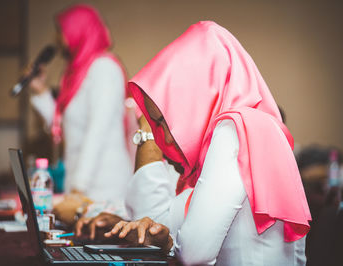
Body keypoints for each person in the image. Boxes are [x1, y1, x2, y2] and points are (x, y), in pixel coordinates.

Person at [102, 21, 311, 265]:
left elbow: (193, 254)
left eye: (164, 120)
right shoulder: (252, 129)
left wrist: (169, 243)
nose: (166, 139)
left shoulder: (234, 130)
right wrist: (160, 235)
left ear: (195, 98)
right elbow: (166, 222)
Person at [28, 4, 132, 222]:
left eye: (61, 32)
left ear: (79, 31)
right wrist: (40, 91)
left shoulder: (104, 69)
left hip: (103, 184)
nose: (58, 39)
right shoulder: (73, 75)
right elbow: (64, 128)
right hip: (79, 184)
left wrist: (78, 187)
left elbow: (98, 131)